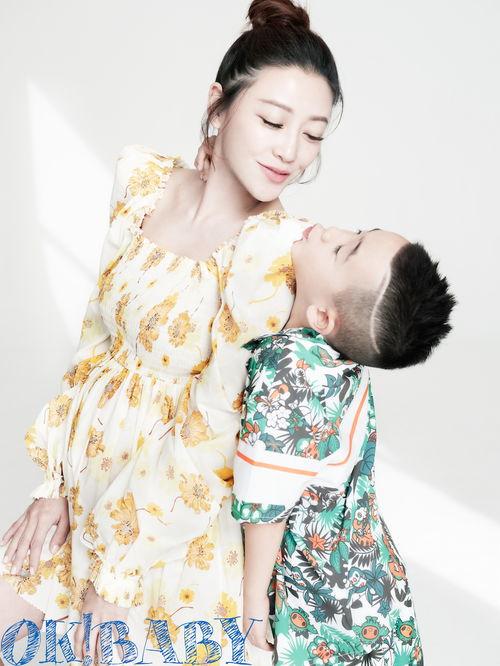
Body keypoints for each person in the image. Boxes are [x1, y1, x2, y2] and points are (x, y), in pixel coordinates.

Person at [0, 1, 345, 663]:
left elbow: (213, 430)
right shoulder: (143, 182)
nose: (290, 151)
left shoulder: (276, 254)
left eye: (312, 135)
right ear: (219, 106)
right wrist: (56, 489)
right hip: (87, 484)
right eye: (273, 121)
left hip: (168, 526)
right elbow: (98, 341)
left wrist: (119, 562)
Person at [231, 224, 456, 665]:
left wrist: (253, 595)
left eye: (340, 249)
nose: (326, 230)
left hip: (328, 604)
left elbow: (266, 501)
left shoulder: (293, 369)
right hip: (371, 581)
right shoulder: (340, 359)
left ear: (323, 318)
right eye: (353, 232)